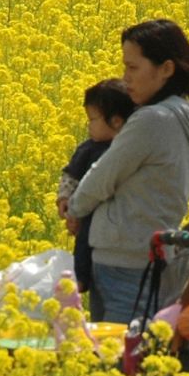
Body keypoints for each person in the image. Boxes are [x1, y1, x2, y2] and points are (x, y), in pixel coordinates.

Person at [68, 19, 189, 324]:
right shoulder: (184, 117)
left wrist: (75, 207)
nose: (125, 78)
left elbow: (102, 177)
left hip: (124, 265)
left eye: (133, 68)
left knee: (120, 361)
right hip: (152, 258)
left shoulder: (152, 121)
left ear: (166, 69)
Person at [56, 79, 135, 316]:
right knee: (83, 244)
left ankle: (81, 280)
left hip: (111, 223)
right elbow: (70, 176)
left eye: (92, 120)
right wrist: (65, 201)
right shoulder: (88, 148)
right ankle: (80, 280)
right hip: (87, 214)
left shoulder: (128, 148)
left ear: (117, 121)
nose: (88, 126)